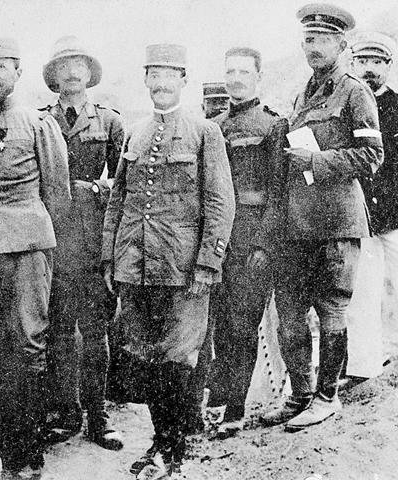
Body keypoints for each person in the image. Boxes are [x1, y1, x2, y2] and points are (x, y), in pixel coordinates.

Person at [102, 44, 235, 478]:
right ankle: (162, 443)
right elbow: (118, 200)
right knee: (146, 357)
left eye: (168, 75)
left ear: (183, 79)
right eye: (152, 75)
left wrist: (208, 264)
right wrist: (111, 258)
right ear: (145, 79)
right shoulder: (135, 132)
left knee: (179, 360)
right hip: (135, 265)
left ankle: (172, 452)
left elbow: (220, 202)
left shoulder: (204, 132)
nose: (160, 84)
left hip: (183, 269)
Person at [261, 3, 383, 431]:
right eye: (308, 40)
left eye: (322, 40)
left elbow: (372, 156)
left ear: (342, 45)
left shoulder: (354, 93)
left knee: (331, 310)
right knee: (291, 314)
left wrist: (319, 159)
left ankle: (327, 396)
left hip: (336, 224)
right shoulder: (302, 93)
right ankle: (299, 395)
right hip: (298, 225)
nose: (313, 47)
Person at [0, 38, 70, 476]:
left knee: (28, 341)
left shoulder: (39, 125)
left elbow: (57, 196)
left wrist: (39, 241)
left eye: (0, 66)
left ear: (18, 71)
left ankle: (27, 450)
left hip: (27, 248)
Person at [40, 35, 125, 450]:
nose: (73, 71)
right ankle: (65, 412)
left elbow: (123, 183)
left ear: (90, 74)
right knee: (57, 330)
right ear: (53, 76)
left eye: (80, 64)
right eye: (64, 65)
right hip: (54, 242)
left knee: (96, 333)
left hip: (92, 245)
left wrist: (92, 188)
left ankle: (99, 416)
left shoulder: (109, 121)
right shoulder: (39, 122)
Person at [205, 47, 287, 439]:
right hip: (217, 240)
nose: (235, 78)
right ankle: (218, 400)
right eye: (230, 70)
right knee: (218, 326)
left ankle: (233, 408)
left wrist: (264, 246)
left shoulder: (273, 126)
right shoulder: (212, 125)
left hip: (252, 241)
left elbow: (278, 193)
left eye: (243, 71)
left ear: (257, 76)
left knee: (241, 325)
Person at [346, 31, 398, 379]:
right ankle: (365, 365)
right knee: (362, 292)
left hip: (396, 215)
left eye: (376, 62)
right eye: (363, 62)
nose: (369, 69)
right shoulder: (348, 104)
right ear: (352, 64)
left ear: (389, 67)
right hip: (361, 216)